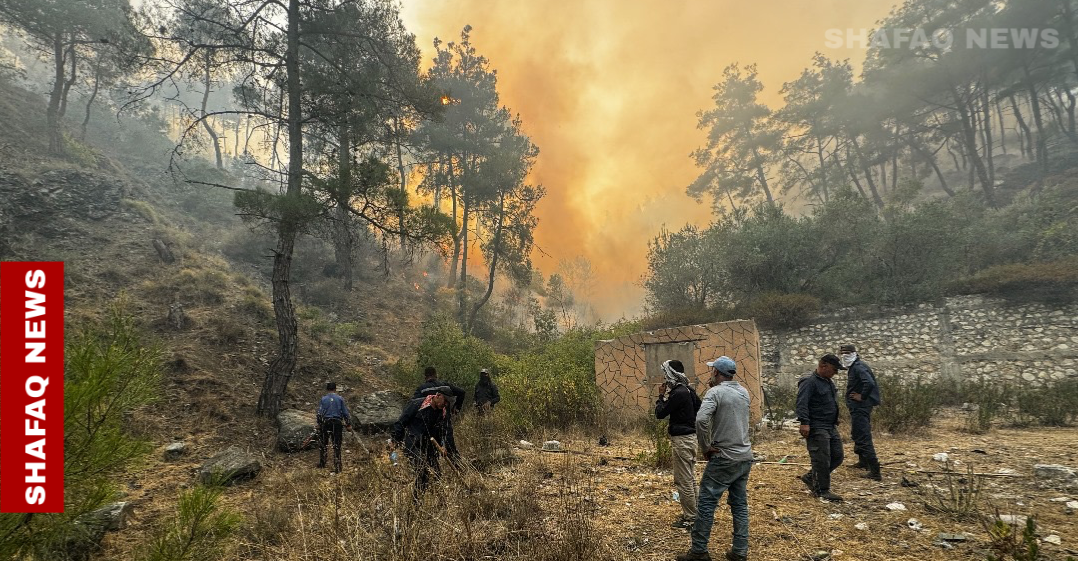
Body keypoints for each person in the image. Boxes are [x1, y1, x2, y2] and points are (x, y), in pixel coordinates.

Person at [677, 356, 752, 561]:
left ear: (716, 372)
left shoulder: (715, 392)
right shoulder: (743, 392)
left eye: (712, 370)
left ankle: (699, 551)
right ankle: (739, 552)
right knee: (739, 505)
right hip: (744, 457)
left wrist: (706, 447)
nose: (711, 373)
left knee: (706, 503)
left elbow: (701, 420)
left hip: (723, 456)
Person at [655, 359, 702, 530]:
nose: (665, 378)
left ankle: (691, 518)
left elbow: (660, 413)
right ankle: (697, 513)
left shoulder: (679, 393)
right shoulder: (689, 390)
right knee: (690, 478)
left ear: (671, 374)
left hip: (682, 440)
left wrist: (661, 396)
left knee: (683, 480)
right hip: (691, 438)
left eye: (666, 374)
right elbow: (700, 408)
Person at [392, 385, 460, 501]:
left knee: (437, 474)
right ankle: (416, 502)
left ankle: (439, 502)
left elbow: (445, 431)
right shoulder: (416, 404)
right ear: (438, 395)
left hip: (430, 446)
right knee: (422, 471)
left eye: (448, 403)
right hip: (413, 442)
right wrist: (395, 440)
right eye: (445, 401)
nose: (445, 405)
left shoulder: (443, 412)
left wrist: (444, 446)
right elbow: (401, 422)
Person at [796, 355, 845, 502]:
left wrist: (835, 416)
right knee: (821, 459)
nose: (835, 373)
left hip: (830, 425)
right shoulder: (809, 382)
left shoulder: (828, 382)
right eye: (834, 369)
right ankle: (822, 490)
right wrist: (804, 422)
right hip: (817, 426)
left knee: (837, 456)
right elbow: (802, 403)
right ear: (824, 366)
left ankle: (811, 477)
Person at [840, 343, 882, 481]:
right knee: (857, 433)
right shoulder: (854, 367)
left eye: (847, 353)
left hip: (861, 406)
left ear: (853, 353)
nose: (844, 356)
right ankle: (863, 461)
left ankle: (875, 471)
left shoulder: (858, 367)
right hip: (858, 407)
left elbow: (869, 383)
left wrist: (862, 396)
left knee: (863, 436)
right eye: (842, 353)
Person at [316, 382, 351, 473]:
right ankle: (338, 466)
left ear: (327, 389)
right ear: (335, 389)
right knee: (337, 445)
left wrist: (319, 423)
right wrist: (348, 424)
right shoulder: (340, 399)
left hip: (326, 423)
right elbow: (345, 412)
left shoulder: (323, 399)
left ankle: (322, 463)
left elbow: (320, 413)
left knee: (323, 444)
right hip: (337, 423)